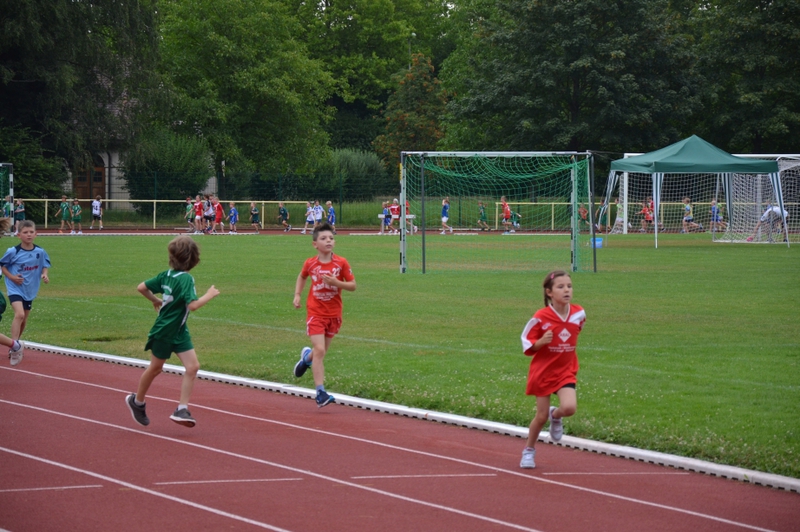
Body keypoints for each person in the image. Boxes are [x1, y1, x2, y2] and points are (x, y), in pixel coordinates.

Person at [126, 236, 220, 428]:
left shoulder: (166, 275)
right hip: (164, 330)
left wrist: (155, 299)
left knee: (192, 367)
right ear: (194, 259)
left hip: (179, 330)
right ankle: (137, 402)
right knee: (155, 368)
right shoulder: (186, 279)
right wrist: (209, 295)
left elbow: (141, 287)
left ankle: (182, 409)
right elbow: (193, 305)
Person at [519, 270, 585, 469]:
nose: (566, 290)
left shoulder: (579, 314)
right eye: (560, 287)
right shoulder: (540, 317)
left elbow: (576, 330)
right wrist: (541, 342)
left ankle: (555, 415)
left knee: (569, 408)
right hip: (544, 372)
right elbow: (527, 343)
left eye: (569, 286)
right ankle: (529, 450)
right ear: (549, 292)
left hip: (565, 371)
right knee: (540, 417)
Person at [292, 222, 356, 408]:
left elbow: (352, 285)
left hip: (334, 314)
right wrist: (297, 295)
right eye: (323, 238)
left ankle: (306, 359)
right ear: (315, 244)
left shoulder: (341, 263)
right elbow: (302, 276)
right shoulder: (310, 263)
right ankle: (320, 392)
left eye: (331, 238)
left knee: (320, 352)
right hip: (315, 312)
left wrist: (337, 283)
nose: (328, 241)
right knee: (319, 350)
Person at [1, 221, 51, 366]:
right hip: (15, 288)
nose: (28, 235)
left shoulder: (40, 252)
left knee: (24, 319)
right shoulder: (13, 251)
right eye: (25, 232)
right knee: (19, 314)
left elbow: (45, 265)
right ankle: (14, 347)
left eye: (31, 232)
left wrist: (44, 274)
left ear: (36, 234)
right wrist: (12, 277)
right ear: (19, 235)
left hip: (30, 289)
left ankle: (16, 344)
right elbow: (2, 266)